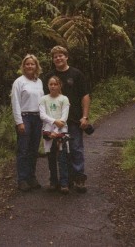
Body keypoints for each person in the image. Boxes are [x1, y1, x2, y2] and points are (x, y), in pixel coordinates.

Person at [43, 46, 91, 193]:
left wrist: (85, 116)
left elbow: (85, 96)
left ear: (66, 57)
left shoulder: (76, 74)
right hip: (55, 122)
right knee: (59, 150)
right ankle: (64, 179)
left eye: (61, 56)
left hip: (74, 119)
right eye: (55, 56)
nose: (58, 58)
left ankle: (79, 178)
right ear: (53, 60)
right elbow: (44, 100)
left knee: (76, 148)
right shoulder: (49, 77)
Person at [11, 54, 44, 192]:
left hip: (38, 118)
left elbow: (43, 101)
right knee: (23, 149)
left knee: (33, 149)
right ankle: (22, 179)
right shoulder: (19, 82)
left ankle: (31, 177)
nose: (30, 66)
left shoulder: (39, 82)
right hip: (25, 117)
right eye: (27, 64)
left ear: (36, 66)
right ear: (23, 66)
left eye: (32, 64)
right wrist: (19, 122)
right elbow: (15, 102)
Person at [39, 76, 71, 194]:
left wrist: (56, 131)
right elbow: (42, 115)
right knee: (51, 158)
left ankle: (64, 183)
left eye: (55, 84)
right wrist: (53, 123)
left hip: (61, 131)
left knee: (62, 158)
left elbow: (64, 117)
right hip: (48, 130)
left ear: (59, 86)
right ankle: (53, 182)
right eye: (51, 84)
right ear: (48, 86)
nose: (53, 86)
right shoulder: (44, 99)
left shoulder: (64, 99)